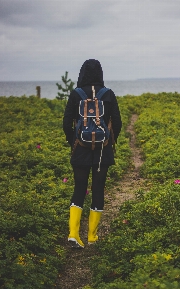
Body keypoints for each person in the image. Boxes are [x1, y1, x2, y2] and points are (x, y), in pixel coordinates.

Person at [63, 59, 122, 248]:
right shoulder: (108, 94)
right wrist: (110, 141)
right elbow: (118, 122)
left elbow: (66, 123)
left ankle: (73, 234)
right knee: (98, 190)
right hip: (103, 151)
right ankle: (92, 237)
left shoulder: (76, 94)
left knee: (79, 189)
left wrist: (74, 141)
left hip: (80, 149)